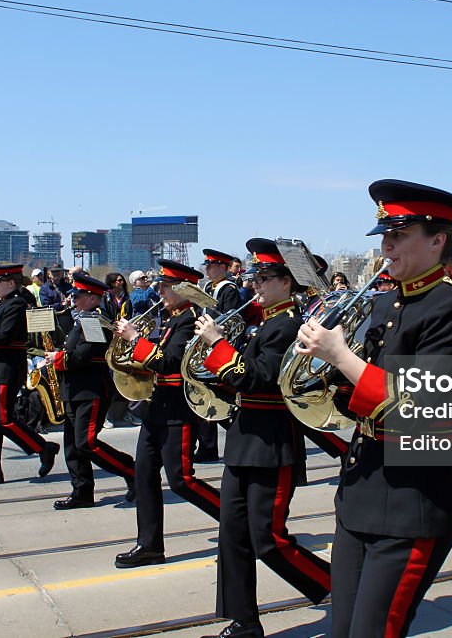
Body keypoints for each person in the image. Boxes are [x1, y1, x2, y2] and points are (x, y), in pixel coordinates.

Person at [296, 179, 452, 638]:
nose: (386, 247)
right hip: (362, 489)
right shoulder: (386, 302)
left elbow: (420, 405)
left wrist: (341, 356)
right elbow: (353, 393)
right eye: (384, 236)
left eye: (398, 236)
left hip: (413, 498)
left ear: (438, 239)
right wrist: (321, 371)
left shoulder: (451, 309)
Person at [196, 239, 330, 638]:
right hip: (244, 438)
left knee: (267, 538)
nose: (257, 283)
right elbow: (237, 377)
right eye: (255, 275)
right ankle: (244, 621)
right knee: (232, 535)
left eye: (266, 277)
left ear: (287, 282)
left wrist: (217, 345)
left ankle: (336, 585)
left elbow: (255, 377)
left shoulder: (288, 325)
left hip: (272, 444)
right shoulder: (265, 322)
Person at [113, 260, 221, 569]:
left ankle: (235, 520)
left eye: (165, 286)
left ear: (182, 289)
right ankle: (148, 544)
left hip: (177, 409)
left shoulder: (189, 321)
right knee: (144, 475)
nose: (159, 290)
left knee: (181, 481)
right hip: (155, 409)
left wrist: (136, 340)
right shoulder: (169, 319)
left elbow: (170, 361)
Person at [44, 274, 136, 509]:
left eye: (79, 295)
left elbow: (85, 355)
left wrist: (59, 358)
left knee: (86, 442)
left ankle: (130, 469)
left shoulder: (95, 320)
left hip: (91, 389)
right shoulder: (81, 318)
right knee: (73, 445)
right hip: (74, 389)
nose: (74, 299)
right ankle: (81, 491)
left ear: (92, 297)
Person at [0, 264, 59, 486]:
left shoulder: (16, 304)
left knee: (2, 418)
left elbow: (5, 335)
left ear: (10, 283)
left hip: (5, 370)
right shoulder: (3, 304)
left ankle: (43, 447)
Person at [196, 248, 243, 464]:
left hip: (219, 343)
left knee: (215, 394)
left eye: (211, 265)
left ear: (223, 268)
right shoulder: (207, 287)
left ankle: (236, 430)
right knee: (205, 395)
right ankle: (207, 446)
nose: (207, 269)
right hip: (204, 343)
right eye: (207, 265)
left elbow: (231, 319)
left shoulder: (228, 288)